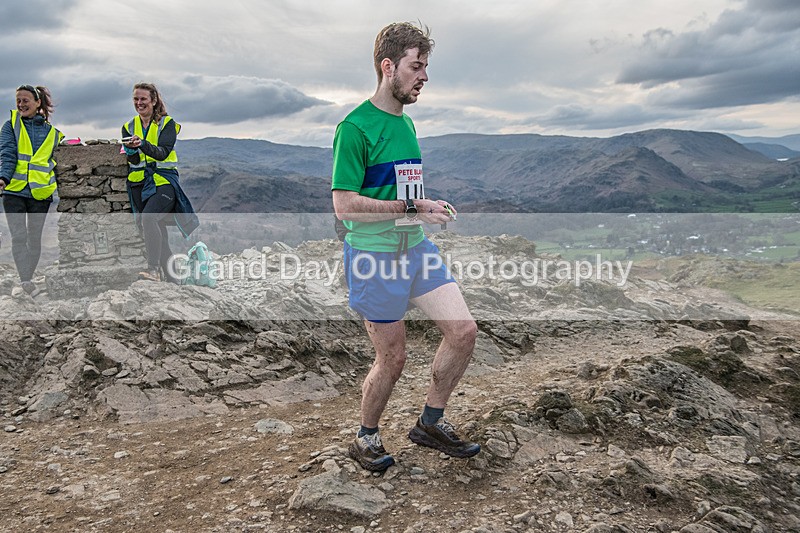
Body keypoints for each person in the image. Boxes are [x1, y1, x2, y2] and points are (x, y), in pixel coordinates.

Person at [332, 22, 480, 472]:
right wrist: (410, 206)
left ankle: (430, 422)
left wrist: (423, 210)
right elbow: (345, 206)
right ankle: (366, 436)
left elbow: (403, 196)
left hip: (416, 250)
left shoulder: (408, 123)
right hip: (375, 258)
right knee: (393, 359)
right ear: (388, 66)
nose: (424, 76)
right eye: (417, 66)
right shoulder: (354, 128)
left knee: (464, 332)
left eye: (425, 67)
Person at [121, 82, 197, 282]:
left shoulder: (167, 123)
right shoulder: (128, 127)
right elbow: (135, 161)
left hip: (164, 180)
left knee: (149, 218)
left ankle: (153, 270)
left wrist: (142, 144)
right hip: (139, 183)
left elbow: (163, 153)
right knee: (159, 232)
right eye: (136, 99)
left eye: (143, 99)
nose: (139, 103)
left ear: (154, 101)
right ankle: (174, 279)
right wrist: (130, 151)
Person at [0, 85, 64, 296]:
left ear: (38, 103)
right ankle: (26, 280)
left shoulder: (54, 134)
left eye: (25, 100)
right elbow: (7, 154)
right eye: (18, 100)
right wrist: (3, 178)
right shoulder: (10, 126)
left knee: (34, 238)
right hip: (14, 191)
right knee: (19, 236)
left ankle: (28, 277)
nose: (21, 105)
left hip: (40, 193)